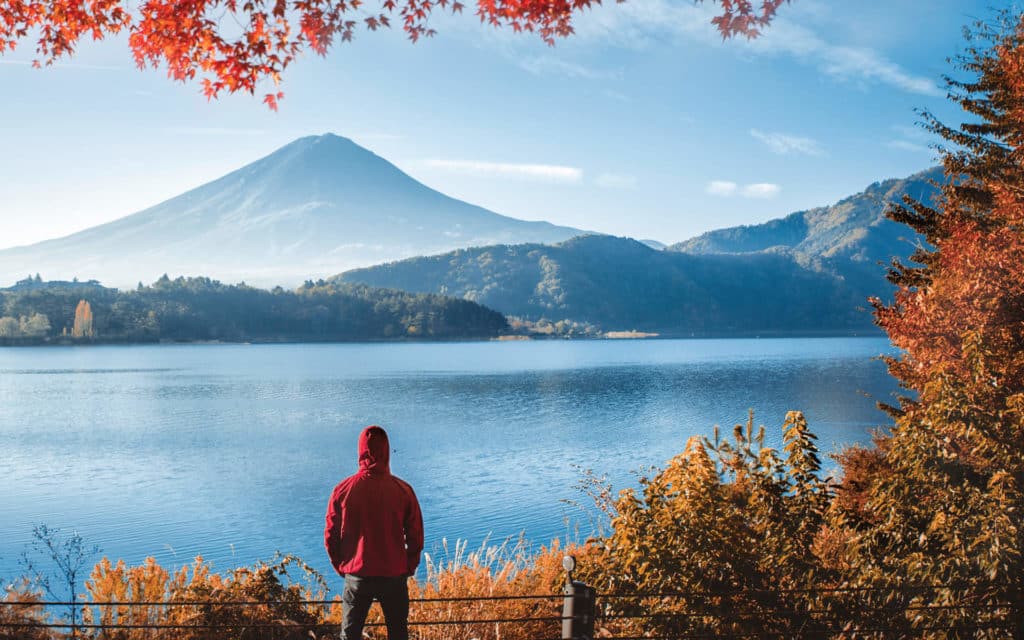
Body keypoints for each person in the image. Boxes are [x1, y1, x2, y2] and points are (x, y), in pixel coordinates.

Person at [324, 425, 424, 640]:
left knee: (349, 635)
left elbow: (331, 536)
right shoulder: (403, 490)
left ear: (360, 451)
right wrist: (408, 565)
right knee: (398, 633)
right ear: (387, 450)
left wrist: (342, 566)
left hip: (357, 575)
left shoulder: (343, 490)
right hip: (394, 574)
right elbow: (416, 536)